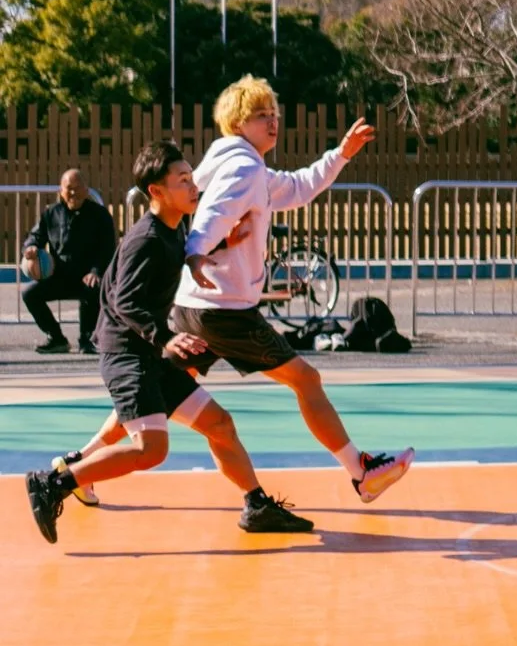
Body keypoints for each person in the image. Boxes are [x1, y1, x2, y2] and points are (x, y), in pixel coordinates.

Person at [25, 142, 312, 544]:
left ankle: (256, 504)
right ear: (157, 192)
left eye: (191, 177)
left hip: (147, 351)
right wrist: (167, 338)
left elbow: (179, 254)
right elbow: (124, 301)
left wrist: (221, 245)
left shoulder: (173, 227)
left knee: (219, 424)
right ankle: (53, 484)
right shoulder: (146, 239)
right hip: (126, 355)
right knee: (152, 450)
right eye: (182, 181)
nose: (193, 186)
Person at [169, 76, 414, 504]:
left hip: (195, 304)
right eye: (261, 115)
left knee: (158, 387)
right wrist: (195, 253)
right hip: (223, 309)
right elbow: (213, 220)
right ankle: (360, 471)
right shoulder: (244, 168)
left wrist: (340, 155)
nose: (273, 121)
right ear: (237, 123)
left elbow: (299, 187)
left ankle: (78, 466)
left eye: (274, 114)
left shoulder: (240, 165)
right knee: (306, 378)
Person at [19, 169, 116, 354]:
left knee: (93, 287)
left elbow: (107, 250)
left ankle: (87, 339)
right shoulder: (51, 214)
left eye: (78, 188)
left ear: (87, 190)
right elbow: (35, 237)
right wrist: (30, 248)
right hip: (60, 276)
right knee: (29, 294)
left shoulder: (100, 215)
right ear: (61, 191)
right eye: (69, 188)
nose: (73, 193)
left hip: (89, 276)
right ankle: (56, 338)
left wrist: (95, 271)